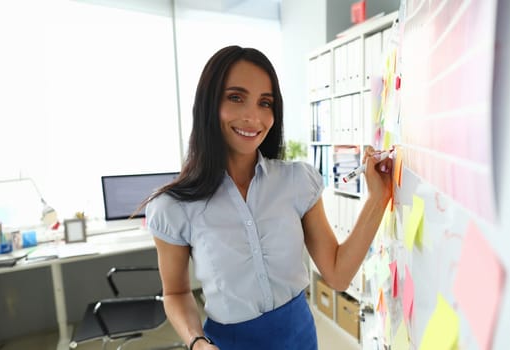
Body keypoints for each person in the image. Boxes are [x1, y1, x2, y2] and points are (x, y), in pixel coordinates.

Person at [143, 45, 392, 350]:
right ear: (209, 104)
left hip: (299, 336)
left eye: (265, 103)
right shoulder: (173, 207)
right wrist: (196, 342)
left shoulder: (297, 181)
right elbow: (176, 293)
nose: (253, 116)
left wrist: (377, 198)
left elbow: (338, 275)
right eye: (236, 98)